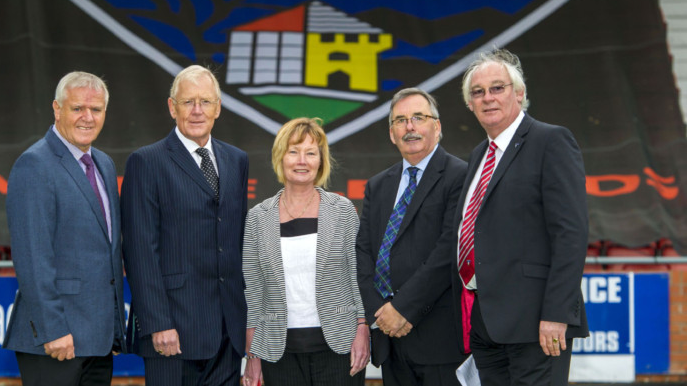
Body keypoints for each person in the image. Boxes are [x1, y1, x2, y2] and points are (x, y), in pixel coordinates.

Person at [456, 48, 588, 386]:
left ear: (520, 93)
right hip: (487, 324)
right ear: (470, 104)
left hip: (536, 324)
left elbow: (570, 235)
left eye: (497, 88)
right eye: (478, 92)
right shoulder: (477, 156)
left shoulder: (550, 141)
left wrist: (557, 315)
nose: (487, 98)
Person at [121, 65, 249, 386]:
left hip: (227, 332)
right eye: (188, 102)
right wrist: (157, 323)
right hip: (173, 332)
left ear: (218, 108)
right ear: (171, 107)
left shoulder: (236, 161)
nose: (196, 111)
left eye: (205, 102)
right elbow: (139, 251)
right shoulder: (146, 162)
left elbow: (236, 242)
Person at [3, 72, 126, 386]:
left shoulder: (104, 164)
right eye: (77, 109)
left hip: (97, 342)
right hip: (55, 341)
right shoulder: (34, 165)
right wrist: (53, 329)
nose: (87, 117)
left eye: (96, 109)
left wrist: (111, 329)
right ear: (57, 109)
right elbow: (33, 258)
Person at [242, 117, 370, 386]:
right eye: (294, 151)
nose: (302, 160)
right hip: (279, 353)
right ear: (281, 157)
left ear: (321, 161)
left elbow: (358, 275)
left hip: (339, 346)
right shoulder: (257, 218)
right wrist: (253, 354)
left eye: (311, 153)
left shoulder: (343, 211)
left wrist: (362, 328)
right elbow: (253, 291)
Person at [356, 88, 468, 386]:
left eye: (419, 117)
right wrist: (380, 315)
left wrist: (403, 309)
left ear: (437, 126)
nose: (410, 127)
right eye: (400, 120)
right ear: (392, 133)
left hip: (440, 339)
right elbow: (363, 253)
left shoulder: (460, 176)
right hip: (390, 340)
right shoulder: (378, 186)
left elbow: (449, 250)